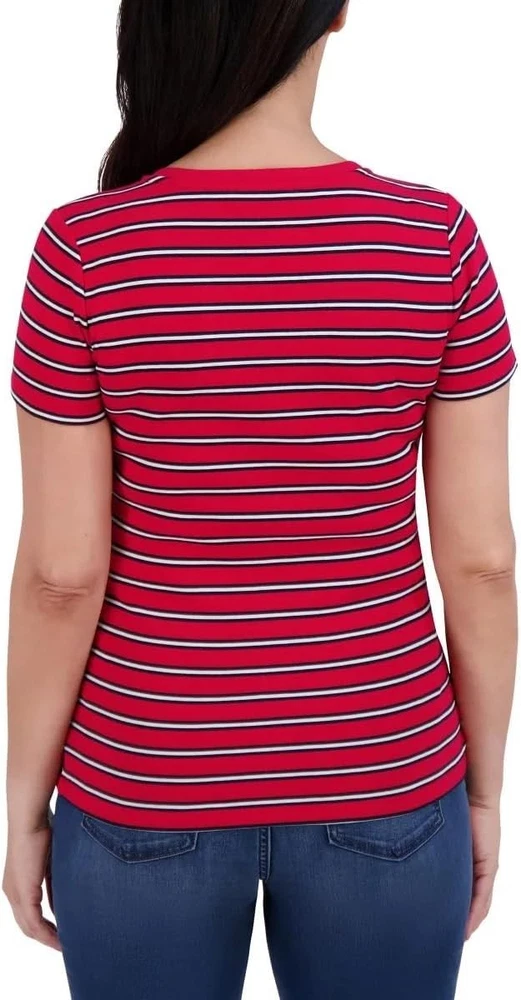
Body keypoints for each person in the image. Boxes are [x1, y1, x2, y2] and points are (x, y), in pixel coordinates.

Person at [3, 1, 518, 998]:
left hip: (145, 778)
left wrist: (27, 808)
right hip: (386, 771)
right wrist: (484, 790)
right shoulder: (433, 241)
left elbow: (61, 575)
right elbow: (482, 561)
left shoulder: (85, 250)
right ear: (337, 13)